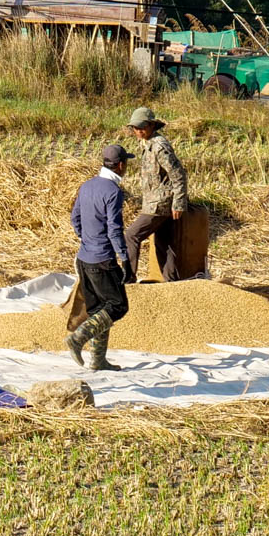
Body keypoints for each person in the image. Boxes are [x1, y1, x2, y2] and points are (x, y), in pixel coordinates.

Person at [65, 144, 136, 372]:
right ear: (121, 165)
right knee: (117, 306)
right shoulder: (113, 192)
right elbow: (115, 229)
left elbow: (75, 218)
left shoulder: (87, 186)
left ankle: (98, 360)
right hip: (102, 260)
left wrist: (86, 238)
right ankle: (78, 338)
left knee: (99, 310)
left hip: (84, 259)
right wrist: (125, 259)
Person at [123, 106, 190, 282]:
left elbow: (179, 175)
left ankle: (128, 280)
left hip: (160, 204)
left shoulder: (160, 147)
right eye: (135, 128)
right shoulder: (147, 143)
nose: (138, 131)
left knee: (131, 235)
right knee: (164, 244)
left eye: (142, 127)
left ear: (152, 125)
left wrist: (179, 204)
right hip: (155, 202)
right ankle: (171, 283)